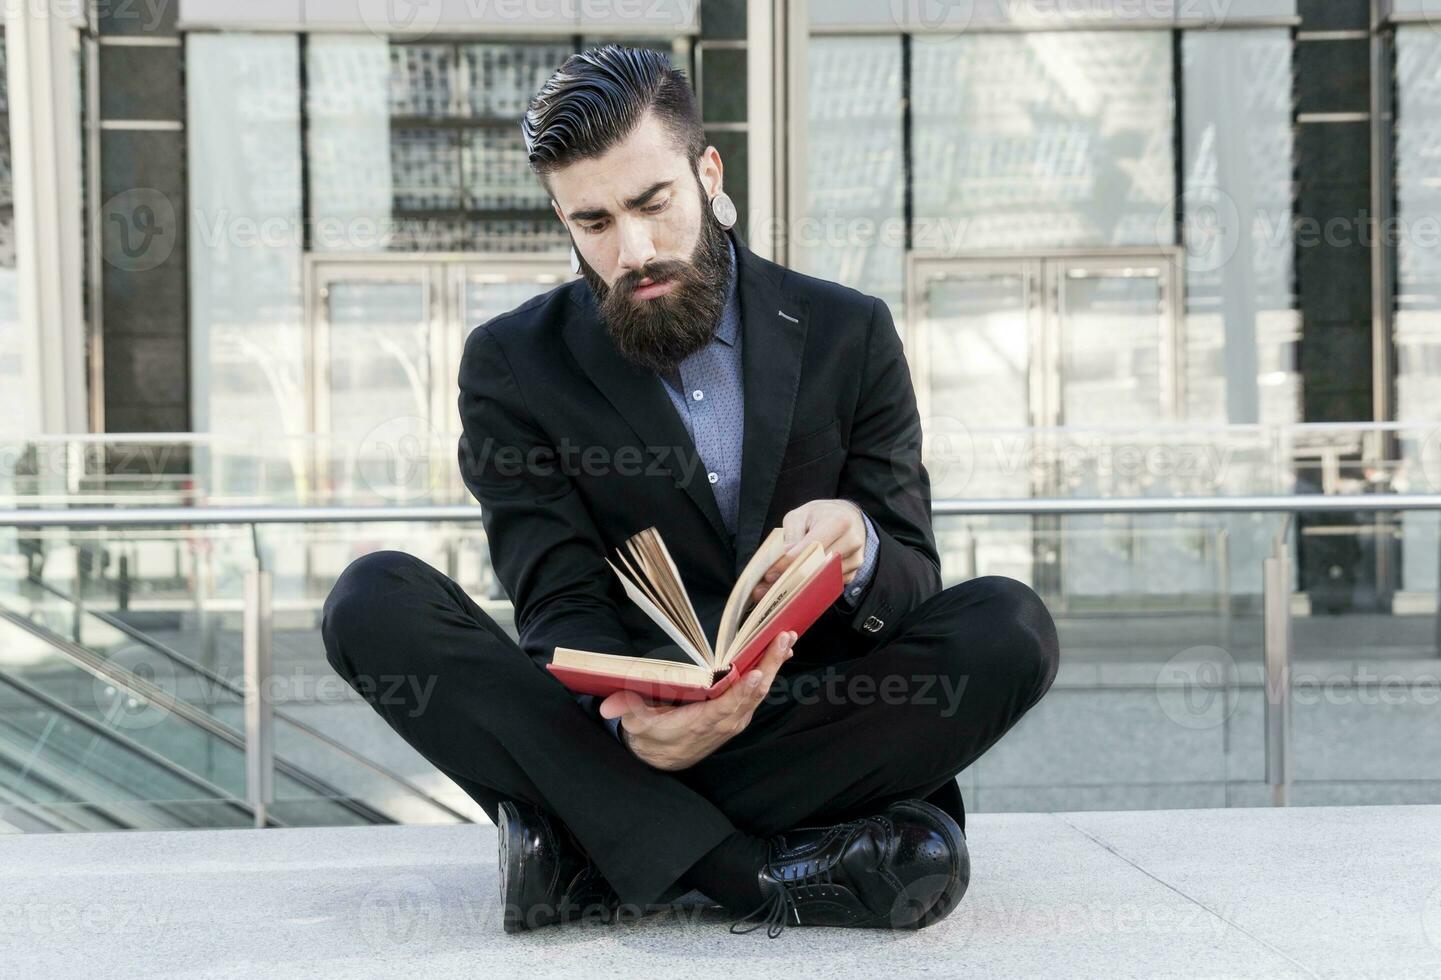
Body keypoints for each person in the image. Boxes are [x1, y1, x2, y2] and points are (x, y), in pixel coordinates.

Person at [321, 44, 1060, 938]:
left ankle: (592, 838)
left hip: (811, 715)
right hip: (631, 726)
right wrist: (629, 726)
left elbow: (913, 585)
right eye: (592, 222)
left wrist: (860, 546)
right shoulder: (511, 363)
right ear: (562, 218)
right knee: (372, 600)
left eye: (651, 203)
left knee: (1010, 628)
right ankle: (748, 871)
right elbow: (557, 604)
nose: (631, 251)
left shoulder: (847, 331)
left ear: (707, 174)